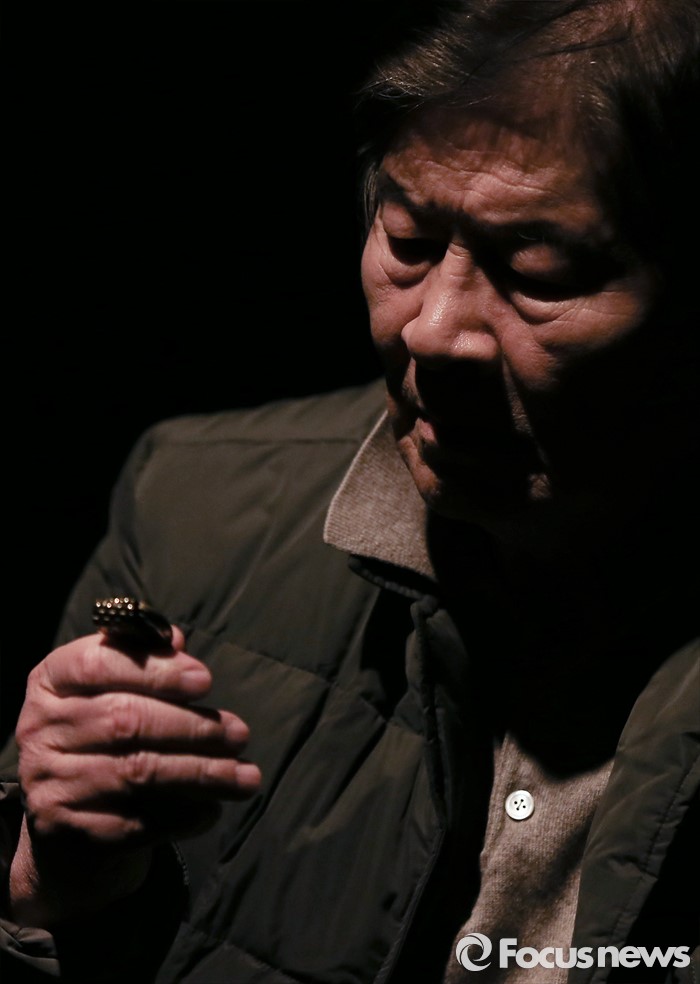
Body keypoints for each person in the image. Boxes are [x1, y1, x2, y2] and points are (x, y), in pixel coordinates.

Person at [1, 1, 698, 981]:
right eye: (408, 241)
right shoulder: (189, 506)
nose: (431, 330)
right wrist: (56, 890)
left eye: (539, 272)